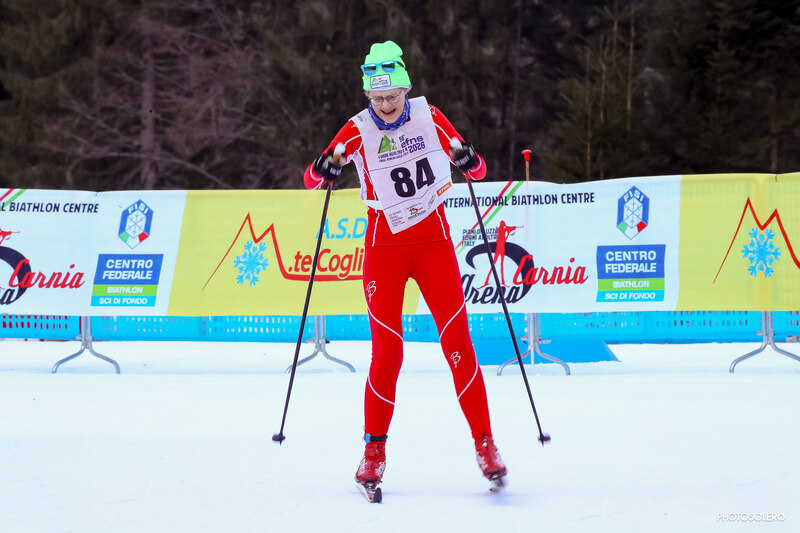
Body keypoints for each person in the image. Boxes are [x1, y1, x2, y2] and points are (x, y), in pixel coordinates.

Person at [303, 41, 506, 491]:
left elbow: (476, 170)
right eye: (376, 98)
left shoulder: (429, 116)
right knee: (388, 353)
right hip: (385, 248)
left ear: (405, 89)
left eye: (392, 96)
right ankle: (373, 451)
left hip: (433, 243)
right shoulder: (356, 129)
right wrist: (324, 169)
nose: (386, 106)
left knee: (458, 343)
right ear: (367, 97)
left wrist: (468, 159)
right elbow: (312, 179)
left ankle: (485, 443)